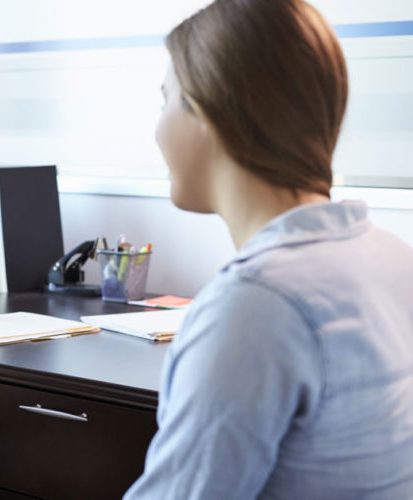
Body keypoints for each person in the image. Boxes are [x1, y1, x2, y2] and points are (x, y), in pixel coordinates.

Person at [126, 0, 413, 497]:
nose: (156, 128)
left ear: (213, 110)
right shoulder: (392, 258)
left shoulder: (255, 305)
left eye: (166, 99)